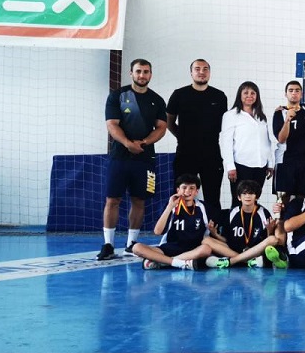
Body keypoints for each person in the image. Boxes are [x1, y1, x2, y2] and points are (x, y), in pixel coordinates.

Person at [99, 59, 167, 260]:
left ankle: (131, 244)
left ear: (150, 74)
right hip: (119, 157)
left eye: (146, 71)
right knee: (113, 199)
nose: (142, 75)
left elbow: (161, 127)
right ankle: (108, 245)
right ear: (131, 73)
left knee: (139, 200)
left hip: (145, 158)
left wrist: (143, 142)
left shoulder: (157, 100)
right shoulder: (118, 96)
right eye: (138, 71)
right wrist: (128, 143)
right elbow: (112, 124)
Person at [165, 59, 229, 220]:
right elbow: (169, 122)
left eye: (205, 69)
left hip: (211, 154)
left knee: (212, 196)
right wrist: (182, 136)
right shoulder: (179, 94)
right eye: (197, 69)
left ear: (209, 72)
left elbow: (225, 124)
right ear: (191, 72)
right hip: (185, 154)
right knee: (183, 195)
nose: (201, 72)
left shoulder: (219, 96)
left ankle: (213, 230)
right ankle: (180, 227)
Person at [132, 174, 225, 270]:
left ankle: (163, 262)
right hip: (170, 248)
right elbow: (157, 232)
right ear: (178, 190)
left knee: (206, 249)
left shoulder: (204, 208)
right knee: (136, 248)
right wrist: (170, 206)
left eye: (192, 188)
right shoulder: (171, 206)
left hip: (193, 250)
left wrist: (214, 232)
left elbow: (221, 221)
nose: (187, 191)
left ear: (196, 191)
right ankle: (181, 263)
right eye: (184, 188)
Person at [219, 81, 276, 206]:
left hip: (260, 166)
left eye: (253, 93)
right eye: (246, 93)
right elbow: (226, 143)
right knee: (239, 202)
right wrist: (230, 166)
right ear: (240, 95)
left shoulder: (261, 116)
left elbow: (267, 141)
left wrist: (270, 163)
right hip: (241, 166)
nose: (249, 96)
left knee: (254, 201)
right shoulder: (230, 115)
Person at [213, 179, 286, 268]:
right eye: (244, 193)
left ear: (257, 197)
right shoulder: (232, 213)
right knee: (206, 240)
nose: (247, 196)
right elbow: (227, 240)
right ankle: (248, 261)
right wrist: (215, 234)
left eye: (251, 193)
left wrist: (269, 230)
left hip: (255, 251)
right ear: (239, 197)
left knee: (273, 239)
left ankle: (231, 261)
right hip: (234, 250)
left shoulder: (263, 213)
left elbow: (267, 241)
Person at [273, 80, 305, 200]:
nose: (294, 93)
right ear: (285, 94)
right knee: (282, 201)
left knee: (302, 199)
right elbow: (281, 139)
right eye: (290, 90)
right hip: (285, 161)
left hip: (304, 162)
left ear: (301, 94)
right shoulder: (279, 113)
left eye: (297, 90)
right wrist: (287, 119)